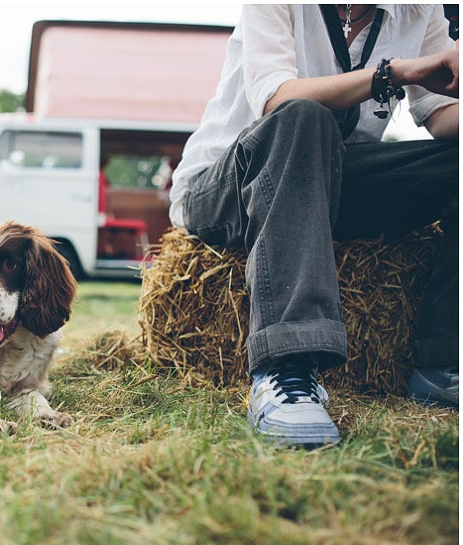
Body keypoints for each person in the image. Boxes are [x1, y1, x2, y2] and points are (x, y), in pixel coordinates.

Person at [168, 4, 458, 447]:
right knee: (303, 115)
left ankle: (444, 363)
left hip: (329, 185)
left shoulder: (420, 10)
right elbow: (277, 97)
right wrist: (393, 73)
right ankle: (285, 370)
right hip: (227, 184)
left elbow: (442, 117)